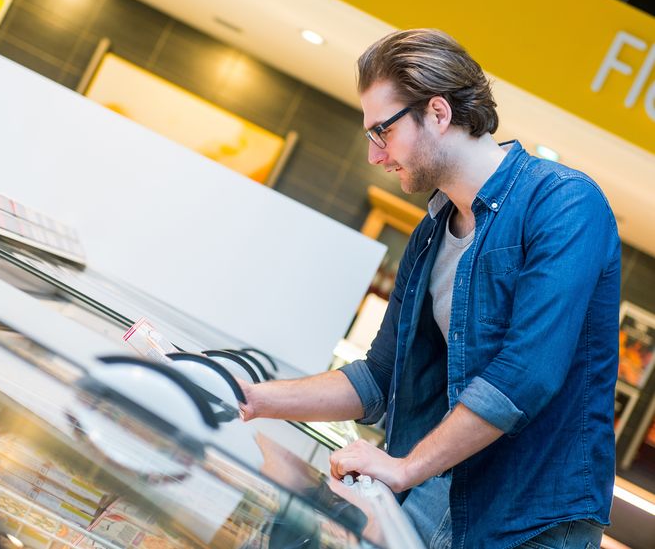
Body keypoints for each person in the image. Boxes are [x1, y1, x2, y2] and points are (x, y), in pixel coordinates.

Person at [238, 29, 620, 549]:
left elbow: (525, 375)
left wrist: (404, 468)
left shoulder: (565, 203)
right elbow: (378, 378)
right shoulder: (431, 233)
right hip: (439, 495)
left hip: (530, 520)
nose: (375, 155)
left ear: (438, 113)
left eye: (382, 132)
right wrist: (252, 398)